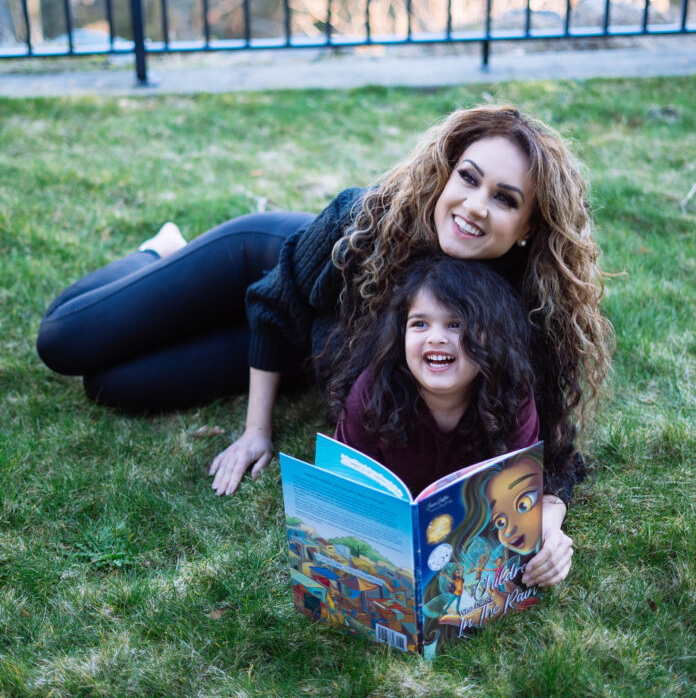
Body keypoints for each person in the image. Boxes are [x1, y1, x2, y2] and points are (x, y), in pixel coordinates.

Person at [36, 104, 614, 586]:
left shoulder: (518, 316)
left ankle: (240, 335)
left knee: (113, 385)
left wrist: (550, 524)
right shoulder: (365, 222)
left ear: (530, 227)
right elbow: (271, 303)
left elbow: (553, 454)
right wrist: (257, 430)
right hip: (270, 268)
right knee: (65, 340)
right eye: (467, 177)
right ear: (446, 172)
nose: (474, 206)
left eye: (505, 199)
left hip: (307, 349)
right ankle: (160, 253)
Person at [332, 254, 540, 498]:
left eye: (456, 324)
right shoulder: (374, 388)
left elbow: (521, 489)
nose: (436, 338)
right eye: (420, 324)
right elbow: (342, 481)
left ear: (490, 337)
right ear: (401, 336)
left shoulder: (510, 392)